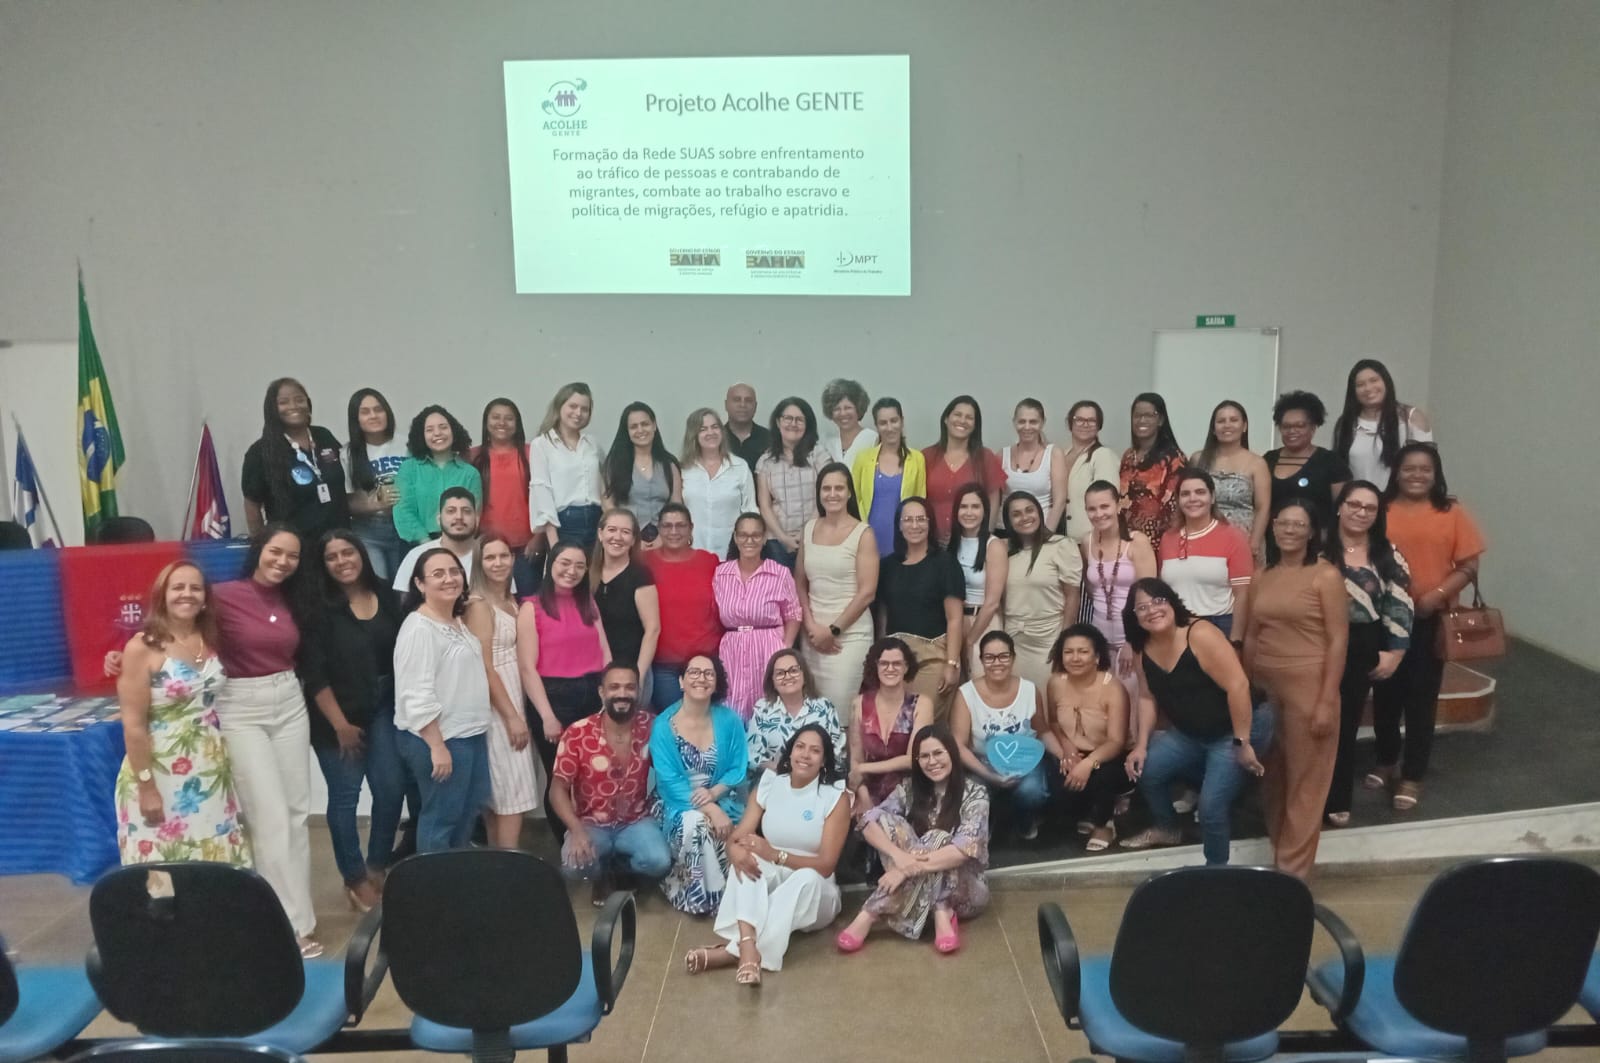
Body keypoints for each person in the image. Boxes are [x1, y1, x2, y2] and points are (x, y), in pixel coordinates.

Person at [1121, 578, 1271, 864]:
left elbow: (1238, 686)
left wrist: (1242, 741)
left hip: (1235, 728)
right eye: (1142, 607)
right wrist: (1140, 745)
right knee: (1147, 770)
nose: (1152, 610)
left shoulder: (1200, 633)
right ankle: (1168, 828)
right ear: (1134, 616)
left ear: (1172, 602)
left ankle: (1215, 871)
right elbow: (1147, 697)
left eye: (1158, 601)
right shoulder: (1142, 648)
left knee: (1211, 807)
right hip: (1190, 733)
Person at [1370, 443, 1485, 812]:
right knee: (1385, 694)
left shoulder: (1451, 512)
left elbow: (1469, 565)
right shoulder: (1379, 509)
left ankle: (1413, 774)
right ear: (1396, 472)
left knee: (1420, 698)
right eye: (1409, 468)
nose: (1416, 475)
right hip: (1382, 618)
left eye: (1425, 469)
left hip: (1427, 618)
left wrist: (1436, 595)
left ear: (1435, 475)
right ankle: (1386, 760)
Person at [686, 726, 851, 983]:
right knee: (748, 861)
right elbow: (738, 837)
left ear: (824, 761)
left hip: (817, 892)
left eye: (815, 751)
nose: (805, 755)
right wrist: (735, 852)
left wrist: (775, 854)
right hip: (776, 876)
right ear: (790, 752)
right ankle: (748, 947)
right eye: (800, 747)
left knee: (806, 877)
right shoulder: (770, 783)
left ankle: (731, 953)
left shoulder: (835, 797)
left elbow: (826, 865)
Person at [114, 561, 250, 868]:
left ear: (205, 598)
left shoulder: (210, 639)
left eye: (195, 588)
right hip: (159, 769)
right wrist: (147, 787)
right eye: (177, 587)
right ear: (162, 596)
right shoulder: (142, 647)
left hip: (209, 768)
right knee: (164, 866)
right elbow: (133, 726)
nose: (186, 594)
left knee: (212, 862)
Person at [300, 532, 406, 911]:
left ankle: (376, 865)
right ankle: (354, 877)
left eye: (348, 552)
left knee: (391, 788)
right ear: (323, 564)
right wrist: (340, 725)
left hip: (383, 706)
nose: (342, 561)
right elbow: (314, 674)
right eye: (332, 556)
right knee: (345, 797)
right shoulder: (316, 608)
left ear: (361, 554)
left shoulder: (386, 594)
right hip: (336, 714)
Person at [1244, 499, 1349, 879]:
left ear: (1312, 531)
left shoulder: (1326, 577)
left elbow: (1338, 640)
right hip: (1265, 688)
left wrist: (1326, 700)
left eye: (1298, 524)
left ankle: (1293, 876)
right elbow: (1252, 635)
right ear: (1272, 527)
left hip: (1309, 687)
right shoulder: (1262, 576)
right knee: (1273, 778)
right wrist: (1246, 688)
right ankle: (1279, 859)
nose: (1289, 530)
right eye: (1283, 523)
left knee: (1306, 783)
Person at [836, 725, 989, 953]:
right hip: (919, 881)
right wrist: (899, 857)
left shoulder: (976, 793)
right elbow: (868, 822)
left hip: (965, 890)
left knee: (938, 837)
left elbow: (962, 851)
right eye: (924, 756)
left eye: (938, 753)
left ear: (952, 753)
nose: (932, 761)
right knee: (885, 820)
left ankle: (871, 912)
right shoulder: (909, 789)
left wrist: (903, 871)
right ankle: (939, 912)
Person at [1323, 482, 1413, 827]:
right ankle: (1303, 795)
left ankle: (1337, 798)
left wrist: (1395, 653)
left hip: (1362, 644)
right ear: (1340, 507)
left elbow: (1399, 604)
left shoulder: (1387, 553)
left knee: (1345, 724)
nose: (1360, 513)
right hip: (1314, 643)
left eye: (1369, 508)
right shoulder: (1316, 548)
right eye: (1354, 504)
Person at [393, 548, 493, 852]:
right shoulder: (419, 628)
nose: (449, 579)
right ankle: (434, 881)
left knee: (465, 816)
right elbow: (415, 693)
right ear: (419, 584)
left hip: (470, 734)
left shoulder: (455, 621)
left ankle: (455, 876)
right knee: (441, 820)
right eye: (438, 574)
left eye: (454, 572)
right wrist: (437, 746)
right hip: (441, 739)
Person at [550, 663, 670, 905]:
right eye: (614, 687)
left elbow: (671, 768)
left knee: (659, 861)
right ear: (601, 692)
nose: (622, 693)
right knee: (573, 866)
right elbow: (557, 791)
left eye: (629, 687)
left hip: (636, 820)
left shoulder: (652, 726)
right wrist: (576, 830)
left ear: (638, 691)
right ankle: (601, 875)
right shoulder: (578, 733)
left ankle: (622, 870)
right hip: (591, 823)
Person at [518, 540, 612, 835]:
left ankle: (592, 841)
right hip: (553, 698)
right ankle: (568, 845)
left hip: (593, 695)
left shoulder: (589, 603)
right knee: (561, 778)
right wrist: (547, 716)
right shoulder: (531, 608)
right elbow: (527, 668)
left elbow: (605, 652)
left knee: (593, 774)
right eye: (565, 563)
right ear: (551, 565)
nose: (572, 571)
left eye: (580, 566)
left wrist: (609, 697)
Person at [651, 655, 748, 915]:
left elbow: (738, 767)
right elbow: (669, 782)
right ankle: (707, 898)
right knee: (697, 826)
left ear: (716, 683)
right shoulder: (662, 726)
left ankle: (729, 894)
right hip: (676, 804)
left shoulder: (729, 720)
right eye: (694, 672)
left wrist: (715, 794)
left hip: (723, 797)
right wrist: (711, 809)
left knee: (732, 831)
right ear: (681, 681)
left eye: (708, 673)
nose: (701, 678)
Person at [464, 535, 539, 849]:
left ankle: (497, 863)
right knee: (510, 794)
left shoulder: (510, 598)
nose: (498, 563)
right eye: (490, 557)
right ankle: (508, 861)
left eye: (503, 556)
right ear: (479, 563)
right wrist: (511, 717)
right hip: (497, 705)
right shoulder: (479, 605)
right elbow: (484, 666)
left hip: (513, 694)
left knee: (502, 795)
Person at [796, 463, 879, 724]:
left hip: (848, 638)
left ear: (849, 492)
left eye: (839, 488)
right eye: (826, 488)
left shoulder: (863, 533)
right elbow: (799, 582)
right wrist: (811, 626)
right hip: (812, 636)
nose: (832, 494)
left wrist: (832, 631)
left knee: (838, 715)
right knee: (811, 715)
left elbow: (867, 593)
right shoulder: (809, 529)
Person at [1042, 624, 1134, 852]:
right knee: (1058, 786)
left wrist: (1087, 763)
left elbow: (1116, 741)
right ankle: (1087, 811)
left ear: (1097, 657)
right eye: (1068, 652)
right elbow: (1053, 722)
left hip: (1108, 754)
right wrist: (1067, 748)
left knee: (1102, 777)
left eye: (1083, 651)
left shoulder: (1112, 687)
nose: (1075, 658)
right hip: (1074, 751)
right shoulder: (1055, 682)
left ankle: (1105, 824)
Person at [949, 631, 1050, 837]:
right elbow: (958, 745)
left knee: (1033, 791)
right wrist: (991, 776)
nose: (997, 663)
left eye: (1003, 656)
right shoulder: (966, 694)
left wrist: (1067, 756)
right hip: (982, 763)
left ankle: (1023, 820)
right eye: (990, 657)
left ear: (1013, 658)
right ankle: (989, 821)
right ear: (981, 660)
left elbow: (1042, 731)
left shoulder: (1030, 690)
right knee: (973, 792)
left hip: (1024, 761)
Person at [874, 497, 964, 709]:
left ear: (930, 523)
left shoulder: (945, 563)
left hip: (933, 656)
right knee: (897, 721)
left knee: (922, 717)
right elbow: (883, 615)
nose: (915, 525)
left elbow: (955, 619)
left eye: (921, 519)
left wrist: (952, 664)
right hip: (895, 659)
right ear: (899, 525)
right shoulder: (887, 566)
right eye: (908, 520)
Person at [714, 512, 801, 718]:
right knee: (732, 705)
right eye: (743, 535)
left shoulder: (779, 573)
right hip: (732, 649)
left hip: (768, 646)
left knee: (769, 705)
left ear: (764, 538)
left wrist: (784, 648)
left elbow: (793, 613)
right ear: (735, 538)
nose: (749, 541)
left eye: (755, 535)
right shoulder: (721, 573)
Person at [1079, 481, 1158, 704]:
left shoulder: (1136, 541)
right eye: (1092, 509)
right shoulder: (1087, 541)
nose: (1099, 514)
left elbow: (1148, 596)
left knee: (1132, 700)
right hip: (1100, 636)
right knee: (1103, 702)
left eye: (1105, 506)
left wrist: (1133, 641)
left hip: (1132, 635)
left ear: (1118, 505)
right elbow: (1092, 588)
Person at [242, 378, 349, 540]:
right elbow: (252, 504)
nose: (293, 406)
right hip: (294, 546)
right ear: (272, 409)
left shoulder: (324, 435)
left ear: (308, 404)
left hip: (337, 542)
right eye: (283, 402)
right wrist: (260, 543)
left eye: (299, 400)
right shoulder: (260, 451)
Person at [641, 504, 723, 711]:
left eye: (680, 525)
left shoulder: (709, 561)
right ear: (659, 528)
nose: (674, 531)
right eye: (667, 526)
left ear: (691, 528)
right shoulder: (644, 562)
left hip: (705, 661)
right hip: (664, 665)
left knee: (705, 722)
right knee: (671, 722)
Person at [1156, 468, 1254, 640]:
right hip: (1176, 627)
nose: (1192, 498)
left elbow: (1243, 595)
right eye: (1185, 494)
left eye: (1200, 492)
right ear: (1178, 500)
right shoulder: (1168, 538)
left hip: (1219, 626)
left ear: (1213, 497)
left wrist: (1236, 641)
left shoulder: (1234, 537)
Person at [1001, 491, 1082, 688]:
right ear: (1008, 521)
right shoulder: (1003, 551)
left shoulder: (1061, 545)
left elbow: (1072, 597)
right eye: (1016, 514)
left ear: (1039, 512)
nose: (1024, 517)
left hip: (1048, 639)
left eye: (1029, 510)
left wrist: (1064, 641)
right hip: (1013, 640)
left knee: (1048, 698)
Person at [847, 637, 935, 811]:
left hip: (909, 792)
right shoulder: (859, 704)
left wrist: (864, 768)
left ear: (906, 667)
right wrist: (864, 797)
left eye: (897, 664)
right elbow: (855, 761)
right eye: (884, 663)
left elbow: (913, 759)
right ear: (875, 666)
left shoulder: (922, 704)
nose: (890, 669)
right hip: (869, 791)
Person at [592, 509, 661, 706]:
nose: (617, 537)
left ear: (633, 540)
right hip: (592, 671)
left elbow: (653, 629)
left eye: (625, 532)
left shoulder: (640, 576)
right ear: (600, 534)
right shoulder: (588, 572)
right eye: (612, 530)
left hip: (630, 671)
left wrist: (638, 675)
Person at [1332, 358, 1433, 490]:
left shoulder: (1411, 418)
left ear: (1386, 382)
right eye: (1360, 385)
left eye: (1374, 380)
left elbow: (1427, 468)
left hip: (1400, 500)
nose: (1368, 388)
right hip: (1359, 501)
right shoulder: (1345, 423)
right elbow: (1339, 473)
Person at [1191, 400, 1271, 561]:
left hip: (1243, 540)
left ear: (1244, 426)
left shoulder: (1257, 463)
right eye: (1221, 421)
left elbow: (1263, 507)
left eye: (1234, 420)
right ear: (1213, 429)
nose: (1227, 425)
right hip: (1202, 536)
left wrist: (1254, 542)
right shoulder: (1198, 459)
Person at [469, 398, 537, 589]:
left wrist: (539, 538)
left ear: (517, 423)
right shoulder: (472, 456)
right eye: (496, 417)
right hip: (486, 545)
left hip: (526, 545)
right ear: (486, 422)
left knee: (526, 599)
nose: (502, 422)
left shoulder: (532, 453)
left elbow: (545, 498)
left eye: (509, 418)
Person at [746, 649, 847, 775]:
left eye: (793, 670)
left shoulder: (825, 707)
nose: (788, 676)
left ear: (805, 676)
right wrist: (782, 770)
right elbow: (752, 755)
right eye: (780, 673)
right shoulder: (762, 709)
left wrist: (808, 773)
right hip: (776, 777)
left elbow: (837, 752)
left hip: (819, 778)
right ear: (772, 682)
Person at [529, 382, 605, 550]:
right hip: (565, 524)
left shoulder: (593, 444)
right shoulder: (541, 444)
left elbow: (606, 487)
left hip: (597, 521)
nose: (578, 413)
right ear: (559, 406)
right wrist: (554, 544)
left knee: (595, 568)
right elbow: (542, 492)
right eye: (573, 406)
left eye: (584, 409)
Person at [1265, 391, 1349, 540]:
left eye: (1300, 425)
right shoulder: (1268, 459)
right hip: (1273, 541)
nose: (1292, 431)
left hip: (1317, 543)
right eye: (1286, 426)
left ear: (1313, 427)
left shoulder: (1330, 461)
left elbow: (1343, 510)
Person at [922, 396, 1006, 546]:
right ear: (946, 419)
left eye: (969, 417)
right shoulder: (926, 456)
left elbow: (994, 501)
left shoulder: (985, 457)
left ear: (975, 425)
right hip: (931, 544)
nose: (962, 420)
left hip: (971, 543)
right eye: (958, 414)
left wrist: (984, 538)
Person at [755, 396, 827, 569]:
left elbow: (825, 497)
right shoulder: (765, 461)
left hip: (814, 537)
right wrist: (783, 537)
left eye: (799, 420)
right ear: (778, 422)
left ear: (807, 424)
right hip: (777, 542)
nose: (793, 424)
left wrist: (805, 533)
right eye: (788, 418)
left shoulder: (819, 454)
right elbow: (764, 505)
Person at [393, 406, 481, 546]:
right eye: (429, 430)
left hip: (460, 544)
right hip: (417, 544)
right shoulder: (409, 469)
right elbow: (403, 510)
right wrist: (427, 544)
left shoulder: (470, 473)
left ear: (453, 431)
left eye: (443, 427)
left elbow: (473, 514)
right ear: (421, 436)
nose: (437, 433)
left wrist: (451, 545)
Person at [850, 397, 927, 559]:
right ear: (876, 426)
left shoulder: (917, 459)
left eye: (894, 421)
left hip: (904, 542)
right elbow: (853, 500)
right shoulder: (863, 458)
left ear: (902, 421)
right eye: (883, 423)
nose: (890, 427)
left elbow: (920, 501)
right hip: (867, 541)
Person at [344, 388, 407, 580]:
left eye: (378, 409)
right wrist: (376, 504)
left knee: (405, 588)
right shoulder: (347, 453)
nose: (373, 416)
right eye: (365, 412)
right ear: (356, 419)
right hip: (368, 531)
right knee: (379, 586)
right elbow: (346, 502)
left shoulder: (407, 444)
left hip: (405, 526)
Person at [680, 407, 757, 556]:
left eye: (715, 427)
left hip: (731, 553)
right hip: (693, 552)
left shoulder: (740, 467)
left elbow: (750, 510)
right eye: (703, 429)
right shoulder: (683, 469)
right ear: (693, 435)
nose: (711, 432)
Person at [601, 402, 681, 542]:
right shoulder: (614, 465)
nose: (640, 430)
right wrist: (629, 537)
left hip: (664, 540)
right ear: (627, 431)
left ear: (654, 425)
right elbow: (608, 506)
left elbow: (677, 505)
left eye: (645, 424)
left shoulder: (669, 464)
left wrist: (664, 537)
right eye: (633, 426)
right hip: (626, 540)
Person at [951, 484, 1009, 674]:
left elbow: (992, 602)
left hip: (984, 623)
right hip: (954, 622)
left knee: (981, 680)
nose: (969, 512)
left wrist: (970, 640)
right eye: (963, 507)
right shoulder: (951, 544)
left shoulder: (994, 545)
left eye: (975, 507)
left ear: (985, 511)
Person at [1119, 392, 1184, 543]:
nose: (1142, 420)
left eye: (1149, 415)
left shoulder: (1174, 459)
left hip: (1157, 539)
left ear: (1160, 420)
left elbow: (1173, 508)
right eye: (1137, 415)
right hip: (1125, 538)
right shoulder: (1128, 456)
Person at [392, 487, 479, 592]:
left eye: (466, 511)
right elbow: (403, 598)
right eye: (451, 511)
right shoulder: (417, 555)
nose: (459, 517)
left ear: (476, 519)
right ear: (439, 519)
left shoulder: (489, 555)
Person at [1003, 399, 1069, 534]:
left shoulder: (1053, 453)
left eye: (1033, 422)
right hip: (1008, 532)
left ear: (1042, 423)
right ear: (1014, 422)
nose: (1027, 427)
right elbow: (996, 500)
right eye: (1022, 421)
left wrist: (1046, 534)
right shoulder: (1002, 455)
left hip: (1042, 531)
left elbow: (1060, 500)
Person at [1062, 400, 1121, 543]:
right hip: (1061, 539)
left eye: (1091, 420)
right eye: (1079, 419)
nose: (1085, 424)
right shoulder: (1061, 455)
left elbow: (1107, 501)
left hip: (1091, 539)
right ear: (1070, 423)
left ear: (1099, 425)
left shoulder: (1103, 455)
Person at [820, 378, 878, 466]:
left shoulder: (872, 439)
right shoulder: (827, 442)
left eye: (848, 408)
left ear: (858, 408)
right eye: (837, 409)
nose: (842, 413)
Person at [724, 382, 771, 472]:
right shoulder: (715, 439)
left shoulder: (770, 439)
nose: (743, 405)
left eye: (748, 400)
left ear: (755, 406)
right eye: (737, 400)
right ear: (726, 405)